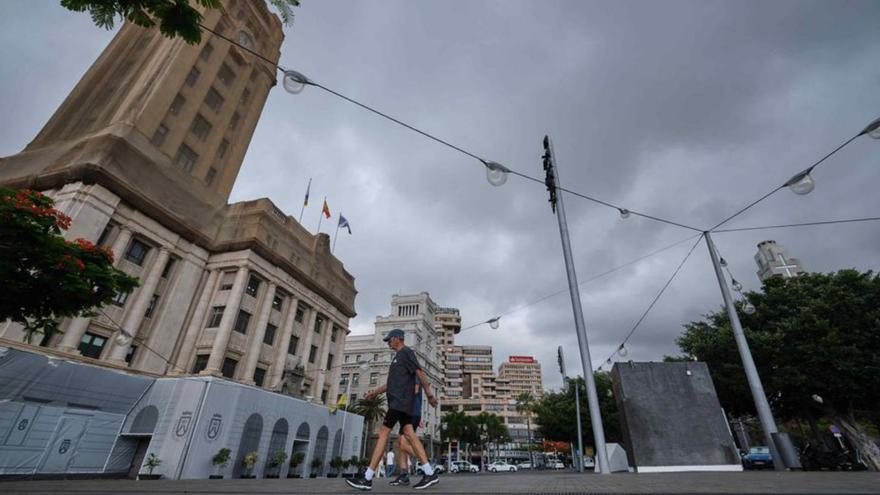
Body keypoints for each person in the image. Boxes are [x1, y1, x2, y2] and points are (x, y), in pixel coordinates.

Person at [346, 329, 439, 491]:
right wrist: (374, 393)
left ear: (398, 339)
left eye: (390, 339)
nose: (388, 342)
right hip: (401, 403)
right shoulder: (397, 358)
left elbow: (420, 372)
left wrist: (429, 394)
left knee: (383, 434)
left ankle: (367, 477)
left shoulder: (406, 352)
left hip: (399, 403)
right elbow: (391, 384)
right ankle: (430, 473)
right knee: (409, 434)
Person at [389, 378, 424, 486]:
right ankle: (404, 475)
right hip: (409, 414)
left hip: (412, 414)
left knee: (403, 444)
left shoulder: (414, 374)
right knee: (401, 444)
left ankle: (425, 463)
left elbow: (415, 390)